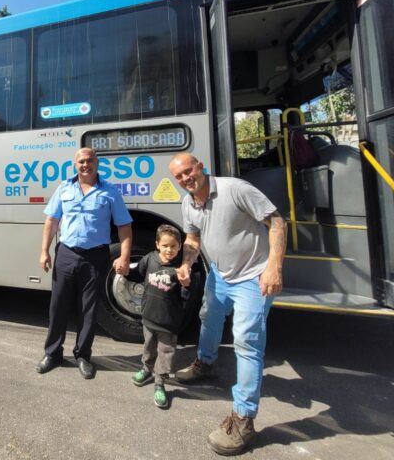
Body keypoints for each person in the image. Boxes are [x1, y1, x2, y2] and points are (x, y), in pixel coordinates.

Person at [168, 152, 286, 456]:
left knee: (247, 342)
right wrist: (186, 264)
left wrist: (274, 268)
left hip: (253, 277)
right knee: (209, 318)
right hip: (220, 274)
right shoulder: (188, 202)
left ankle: (244, 419)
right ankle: (205, 364)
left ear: (200, 167)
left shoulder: (236, 189)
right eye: (178, 176)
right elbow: (193, 239)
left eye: (188, 171)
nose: (185, 179)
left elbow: (276, 223)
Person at [36, 147, 133, 379]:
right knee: (58, 305)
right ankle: (52, 353)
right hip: (67, 254)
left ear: (97, 163)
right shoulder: (64, 188)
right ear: (75, 164)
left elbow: (124, 226)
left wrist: (125, 257)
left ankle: (83, 355)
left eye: (90, 160)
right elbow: (51, 220)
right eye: (81, 161)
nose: (85, 165)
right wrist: (44, 251)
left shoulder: (109, 192)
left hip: (95, 256)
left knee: (88, 308)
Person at [118, 224, 192, 409]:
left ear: (180, 247)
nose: (169, 250)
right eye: (165, 245)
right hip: (149, 318)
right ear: (157, 244)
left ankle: (160, 382)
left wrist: (186, 285)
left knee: (165, 353)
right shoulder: (149, 259)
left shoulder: (181, 268)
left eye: (174, 246)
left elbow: (187, 298)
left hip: (169, 323)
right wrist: (124, 271)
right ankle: (146, 370)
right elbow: (136, 275)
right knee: (149, 347)